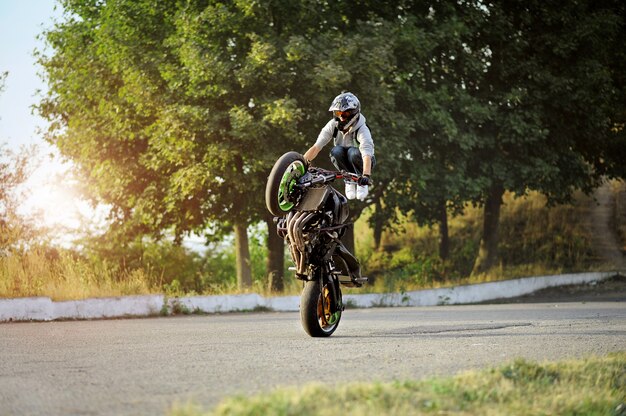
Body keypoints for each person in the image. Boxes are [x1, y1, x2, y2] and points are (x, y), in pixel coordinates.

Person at [303, 92, 375, 201]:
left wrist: (366, 175)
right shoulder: (332, 125)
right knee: (335, 151)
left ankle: (361, 184)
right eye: (338, 113)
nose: (341, 117)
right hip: (345, 160)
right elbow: (316, 147)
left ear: (353, 113)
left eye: (344, 114)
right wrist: (302, 163)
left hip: (364, 162)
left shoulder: (362, 129)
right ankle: (349, 180)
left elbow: (366, 154)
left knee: (352, 152)